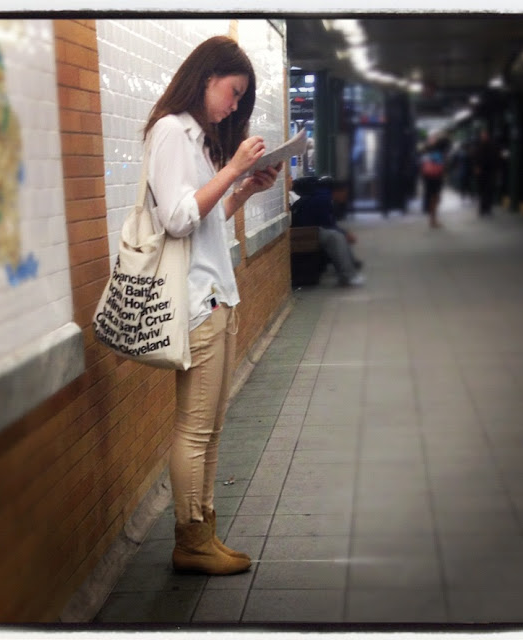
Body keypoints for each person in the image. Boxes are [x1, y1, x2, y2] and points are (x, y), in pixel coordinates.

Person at [142, 36, 281, 576]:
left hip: (218, 294)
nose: (234, 105)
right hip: (196, 302)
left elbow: (205, 223)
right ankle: (190, 541)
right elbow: (177, 219)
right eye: (233, 92)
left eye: (241, 98)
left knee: (212, 428)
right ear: (207, 77)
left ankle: (205, 531)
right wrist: (232, 169)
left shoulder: (199, 140)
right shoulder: (170, 131)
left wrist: (243, 191)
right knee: (194, 430)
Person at [291, 176, 364, 286]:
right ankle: (348, 276)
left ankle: (349, 268)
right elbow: (326, 223)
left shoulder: (323, 196)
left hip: (308, 230)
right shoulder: (323, 199)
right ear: (338, 191)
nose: (345, 197)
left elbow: (328, 222)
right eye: (345, 193)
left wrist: (344, 233)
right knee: (336, 237)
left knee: (339, 235)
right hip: (305, 232)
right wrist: (344, 233)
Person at [420, 133, 449, 229]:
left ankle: (433, 219)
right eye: (431, 139)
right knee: (433, 197)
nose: (432, 140)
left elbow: (445, 141)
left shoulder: (437, 149)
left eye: (434, 139)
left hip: (436, 176)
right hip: (431, 176)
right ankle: (433, 219)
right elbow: (424, 163)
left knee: (436, 197)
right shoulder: (427, 150)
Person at [473, 129, 500, 215]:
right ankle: (484, 209)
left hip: (489, 172)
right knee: (483, 191)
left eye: (484, 135)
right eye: (482, 135)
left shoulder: (490, 146)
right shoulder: (480, 146)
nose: (483, 137)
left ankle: (486, 209)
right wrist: (477, 167)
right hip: (482, 172)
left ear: (488, 136)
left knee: (488, 191)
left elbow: (495, 158)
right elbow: (476, 158)